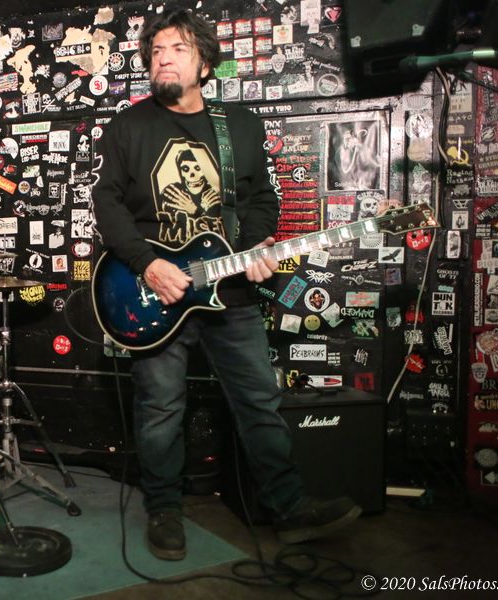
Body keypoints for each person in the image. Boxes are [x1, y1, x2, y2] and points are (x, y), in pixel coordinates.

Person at [93, 8, 360, 561]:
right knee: (161, 407)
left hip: (229, 292)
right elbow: (108, 204)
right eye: (156, 51)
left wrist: (258, 245)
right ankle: (164, 510)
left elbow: (262, 198)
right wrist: (147, 264)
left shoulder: (238, 125)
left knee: (259, 400)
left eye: (178, 49)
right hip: (157, 291)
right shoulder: (128, 127)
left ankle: (290, 508)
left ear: (205, 64)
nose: (163, 59)